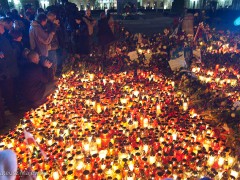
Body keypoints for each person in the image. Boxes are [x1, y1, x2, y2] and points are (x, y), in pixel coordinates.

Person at [0, 20, 19, 114]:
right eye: (1, 26)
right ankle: (14, 110)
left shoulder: (3, 37)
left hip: (10, 69)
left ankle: (15, 108)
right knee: (9, 93)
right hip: (5, 72)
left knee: (12, 91)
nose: (3, 27)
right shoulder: (1, 39)